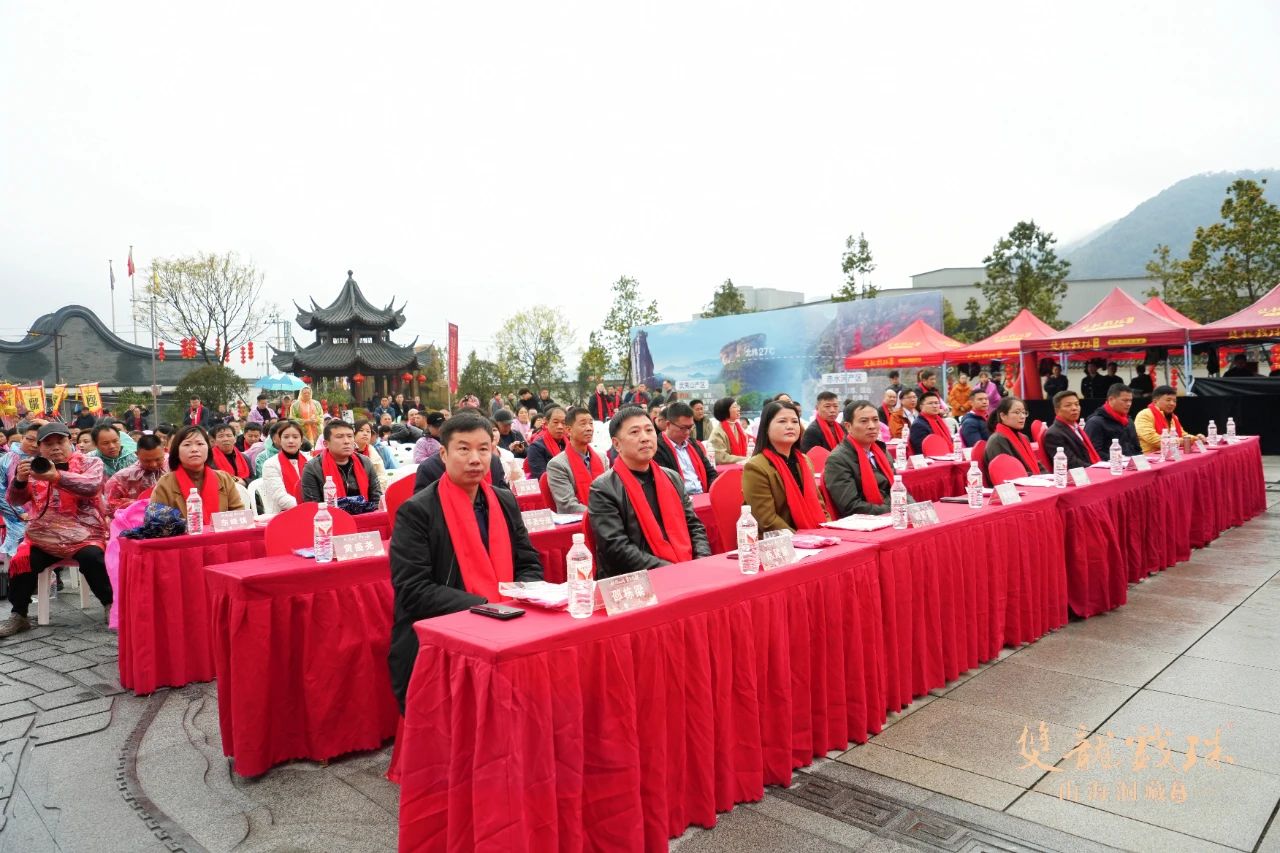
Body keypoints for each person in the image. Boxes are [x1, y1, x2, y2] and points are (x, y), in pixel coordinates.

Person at [388, 411, 544, 708]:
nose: (475, 459)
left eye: (483, 449)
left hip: (511, 622)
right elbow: (413, 589)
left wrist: (522, 597)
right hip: (445, 634)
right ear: (443, 455)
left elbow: (528, 563)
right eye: (463, 449)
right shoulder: (417, 512)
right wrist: (487, 607)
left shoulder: (504, 500)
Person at [0, 423, 115, 637]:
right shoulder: (34, 467)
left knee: (93, 558)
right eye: (48, 444)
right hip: (43, 537)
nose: (55, 448)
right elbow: (15, 500)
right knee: (22, 559)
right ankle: (19, 615)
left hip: (85, 535)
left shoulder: (90, 462)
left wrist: (56, 477)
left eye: (60, 442)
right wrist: (20, 481)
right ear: (40, 448)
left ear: (69, 442)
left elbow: (91, 486)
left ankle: (111, 605)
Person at [587, 407, 711, 578]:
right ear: (616, 444)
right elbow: (616, 548)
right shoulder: (603, 488)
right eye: (635, 432)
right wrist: (673, 571)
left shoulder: (672, 477)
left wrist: (701, 561)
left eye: (649, 430)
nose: (645, 438)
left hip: (685, 569)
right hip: (639, 580)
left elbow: (694, 526)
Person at [742, 401, 828, 532]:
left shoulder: (805, 461)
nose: (790, 426)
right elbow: (767, 521)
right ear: (766, 427)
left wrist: (828, 529)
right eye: (782, 421)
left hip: (814, 532)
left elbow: (820, 505)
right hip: (780, 539)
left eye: (795, 421)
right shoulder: (756, 467)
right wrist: (806, 539)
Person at [822, 400, 912, 517]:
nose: (872, 426)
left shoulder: (881, 451)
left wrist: (912, 507)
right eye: (864, 421)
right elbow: (851, 506)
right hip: (867, 520)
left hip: (893, 514)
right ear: (848, 426)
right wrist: (895, 509)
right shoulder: (838, 460)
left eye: (875, 420)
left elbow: (899, 488)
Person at [148, 425, 245, 522]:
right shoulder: (165, 484)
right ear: (177, 452)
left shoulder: (224, 479)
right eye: (187, 445)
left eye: (200, 444)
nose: (194, 449)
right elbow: (156, 523)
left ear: (208, 449)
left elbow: (239, 514)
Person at [301, 420, 382, 505]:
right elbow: (314, 506)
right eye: (339, 437)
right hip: (330, 513)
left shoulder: (365, 462)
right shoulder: (313, 468)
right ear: (326, 444)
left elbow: (377, 499)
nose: (346, 441)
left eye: (350, 436)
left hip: (367, 512)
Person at [546, 406, 607, 513]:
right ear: (569, 430)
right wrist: (602, 514)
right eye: (583, 424)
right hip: (579, 520)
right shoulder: (557, 465)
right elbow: (567, 505)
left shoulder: (602, 458)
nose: (589, 428)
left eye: (591, 423)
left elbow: (612, 493)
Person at [652, 401, 717, 497]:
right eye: (683, 428)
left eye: (690, 427)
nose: (687, 432)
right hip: (680, 499)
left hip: (704, 495)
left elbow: (710, 472)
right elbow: (664, 483)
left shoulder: (693, 444)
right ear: (668, 424)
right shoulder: (657, 449)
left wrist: (712, 491)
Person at [0, 421, 40, 560]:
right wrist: (20, 513)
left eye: (39, 441)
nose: (34, 445)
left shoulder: (45, 460)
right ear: (22, 438)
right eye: (30, 439)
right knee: (21, 555)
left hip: (43, 517)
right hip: (17, 518)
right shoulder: (6, 460)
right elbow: (1, 492)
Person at [103, 434, 168, 518]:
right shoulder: (123, 477)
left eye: (158, 459)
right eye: (147, 461)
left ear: (164, 451)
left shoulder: (173, 467)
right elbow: (109, 506)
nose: (153, 464)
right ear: (137, 454)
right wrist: (138, 504)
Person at [983, 397, 1046, 479]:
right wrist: (1037, 479)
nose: (1022, 416)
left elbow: (1036, 465)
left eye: (1024, 412)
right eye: (1017, 412)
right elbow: (1009, 472)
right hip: (1016, 485)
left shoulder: (1024, 438)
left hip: (1032, 480)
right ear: (1003, 416)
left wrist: (1049, 477)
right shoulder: (997, 440)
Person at [1042, 390, 1101, 469]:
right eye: (1068, 405)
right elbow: (1071, 463)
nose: (1074, 408)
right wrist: (1097, 468)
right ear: (1057, 410)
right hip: (1078, 473)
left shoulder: (1076, 427)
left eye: (1077, 404)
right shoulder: (1054, 434)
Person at [1134, 385, 1202, 453]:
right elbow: (1152, 438)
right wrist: (1179, 441)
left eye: (1174, 401)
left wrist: (1196, 438)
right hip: (1150, 456)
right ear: (1155, 401)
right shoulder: (1144, 414)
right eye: (1168, 400)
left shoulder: (1173, 417)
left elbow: (1183, 434)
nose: (1172, 404)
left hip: (1171, 453)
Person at [259, 421, 309, 513]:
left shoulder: (310, 460)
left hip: (311, 510)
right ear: (280, 440)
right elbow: (280, 497)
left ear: (301, 440)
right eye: (286, 437)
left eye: (295, 437)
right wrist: (306, 507)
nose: (291, 441)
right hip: (281, 513)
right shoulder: (270, 464)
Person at [1084, 384, 1141, 457]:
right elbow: (1093, 453)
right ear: (1111, 399)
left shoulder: (1129, 421)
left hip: (1132, 461)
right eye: (1125, 400)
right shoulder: (1095, 422)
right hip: (1111, 463)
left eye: (1130, 400)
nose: (1129, 404)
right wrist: (1120, 459)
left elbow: (1137, 448)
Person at [523, 405, 567, 480]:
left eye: (563, 423)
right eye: (556, 422)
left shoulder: (570, 444)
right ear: (546, 423)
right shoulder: (536, 447)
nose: (560, 426)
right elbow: (541, 477)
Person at [908, 390, 953, 454]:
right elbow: (921, 450)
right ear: (921, 407)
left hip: (947, 454)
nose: (934, 406)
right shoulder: (918, 425)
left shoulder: (938, 420)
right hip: (932, 457)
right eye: (930, 403)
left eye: (936, 403)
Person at [708, 396, 749, 464]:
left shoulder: (738, 428)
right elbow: (721, 458)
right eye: (735, 407)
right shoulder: (717, 433)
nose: (738, 409)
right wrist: (746, 459)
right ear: (725, 411)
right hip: (727, 469)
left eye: (738, 406)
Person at [352, 418, 390, 492]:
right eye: (361, 430)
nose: (365, 434)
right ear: (353, 433)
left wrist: (375, 493)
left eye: (368, 431)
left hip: (373, 492)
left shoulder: (373, 452)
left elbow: (381, 476)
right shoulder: (347, 452)